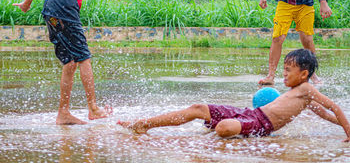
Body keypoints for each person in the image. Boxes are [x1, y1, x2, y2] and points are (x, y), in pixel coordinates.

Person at [118, 49, 350, 141]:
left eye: (288, 70)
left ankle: (226, 135)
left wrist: (348, 130)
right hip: (252, 114)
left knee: (223, 128)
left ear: (304, 74)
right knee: (199, 107)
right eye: (284, 68)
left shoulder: (308, 90)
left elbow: (332, 109)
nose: (284, 73)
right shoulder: (299, 94)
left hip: (261, 124)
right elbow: (325, 115)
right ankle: (143, 124)